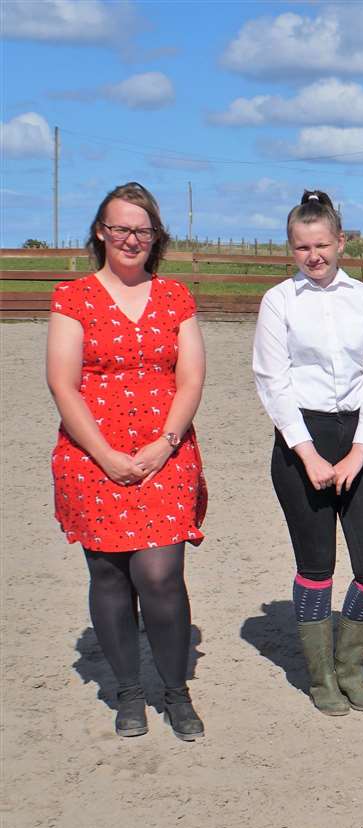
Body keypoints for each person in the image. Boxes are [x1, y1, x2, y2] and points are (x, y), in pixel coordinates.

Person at [47, 182, 209, 741]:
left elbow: (190, 378)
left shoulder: (175, 297)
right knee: (110, 575)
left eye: (142, 230)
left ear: (155, 236)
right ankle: (129, 692)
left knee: (160, 574)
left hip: (165, 450)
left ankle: (175, 690)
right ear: (100, 231)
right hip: (93, 454)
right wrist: (106, 454)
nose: (131, 239)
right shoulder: (73, 297)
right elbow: (63, 385)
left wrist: (163, 444)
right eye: (120, 228)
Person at [252, 191, 363, 716]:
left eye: (322, 244)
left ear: (340, 242)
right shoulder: (279, 302)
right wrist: (307, 453)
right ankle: (321, 677)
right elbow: (273, 380)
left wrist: (361, 450)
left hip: (359, 438)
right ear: (291, 249)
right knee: (317, 565)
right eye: (301, 247)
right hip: (302, 441)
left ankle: (350, 665)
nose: (313, 255)